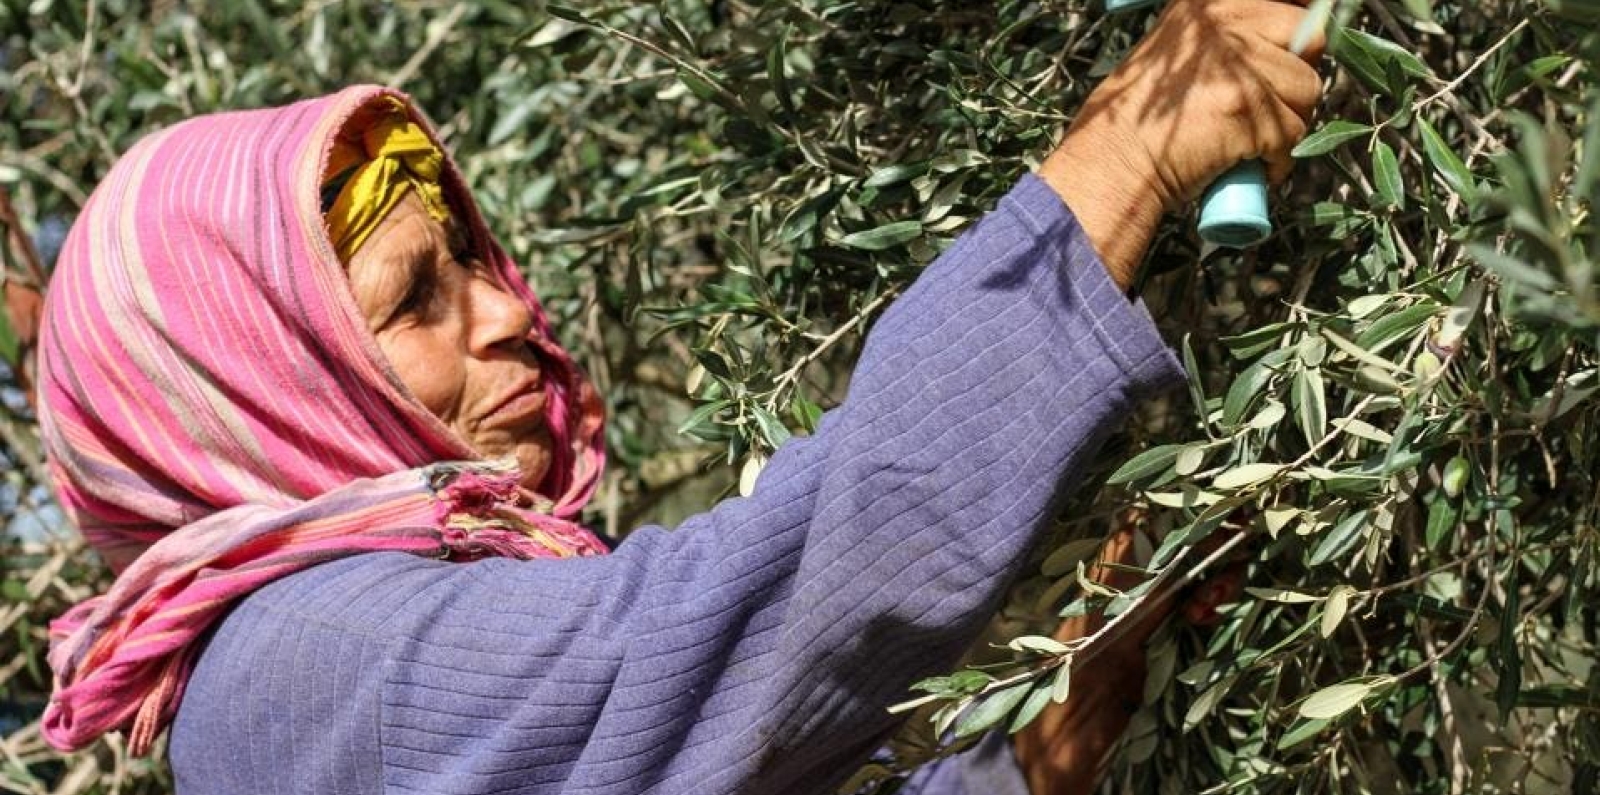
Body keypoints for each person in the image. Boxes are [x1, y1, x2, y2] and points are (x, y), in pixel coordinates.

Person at [32, 1, 1324, 793]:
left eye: (474, 258)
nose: (503, 313)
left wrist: (1035, 748)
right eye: (415, 301)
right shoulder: (310, 667)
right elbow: (761, 608)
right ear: (252, 389)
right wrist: (1130, 147)